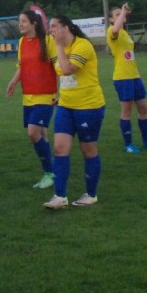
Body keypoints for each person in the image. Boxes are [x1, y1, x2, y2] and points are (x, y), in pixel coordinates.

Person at [42, 15, 106, 209]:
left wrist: (58, 46)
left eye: (54, 26)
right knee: (59, 148)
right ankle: (60, 196)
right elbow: (62, 76)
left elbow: (67, 69)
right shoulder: (58, 47)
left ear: (66, 28)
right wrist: (61, 95)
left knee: (88, 150)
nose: (51, 30)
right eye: (50, 27)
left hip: (89, 107)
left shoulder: (83, 45)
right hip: (66, 106)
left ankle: (91, 194)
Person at [5, 9, 58, 189]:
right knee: (41, 134)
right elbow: (22, 67)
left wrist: (61, 91)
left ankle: (49, 172)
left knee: (33, 133)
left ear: (34, 23)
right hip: (28, 95)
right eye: (19, 21)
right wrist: (13, 82)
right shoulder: (21, 42)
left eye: (24, 21)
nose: (20, 24)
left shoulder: (48, 41)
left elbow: (58, 66)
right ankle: (53, 168)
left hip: (46, 95)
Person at [106, 3, 147, 153]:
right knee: (126, 111)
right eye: (117, 14)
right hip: (123, 77)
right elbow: (115, 30)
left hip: (134, 76)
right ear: (111, 19)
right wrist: (124, 11)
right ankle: (128, 144)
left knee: (144, 108)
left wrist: (123, 13)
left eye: (121, 13)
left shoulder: (125, 33)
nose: (121, 15)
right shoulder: (112, 30)